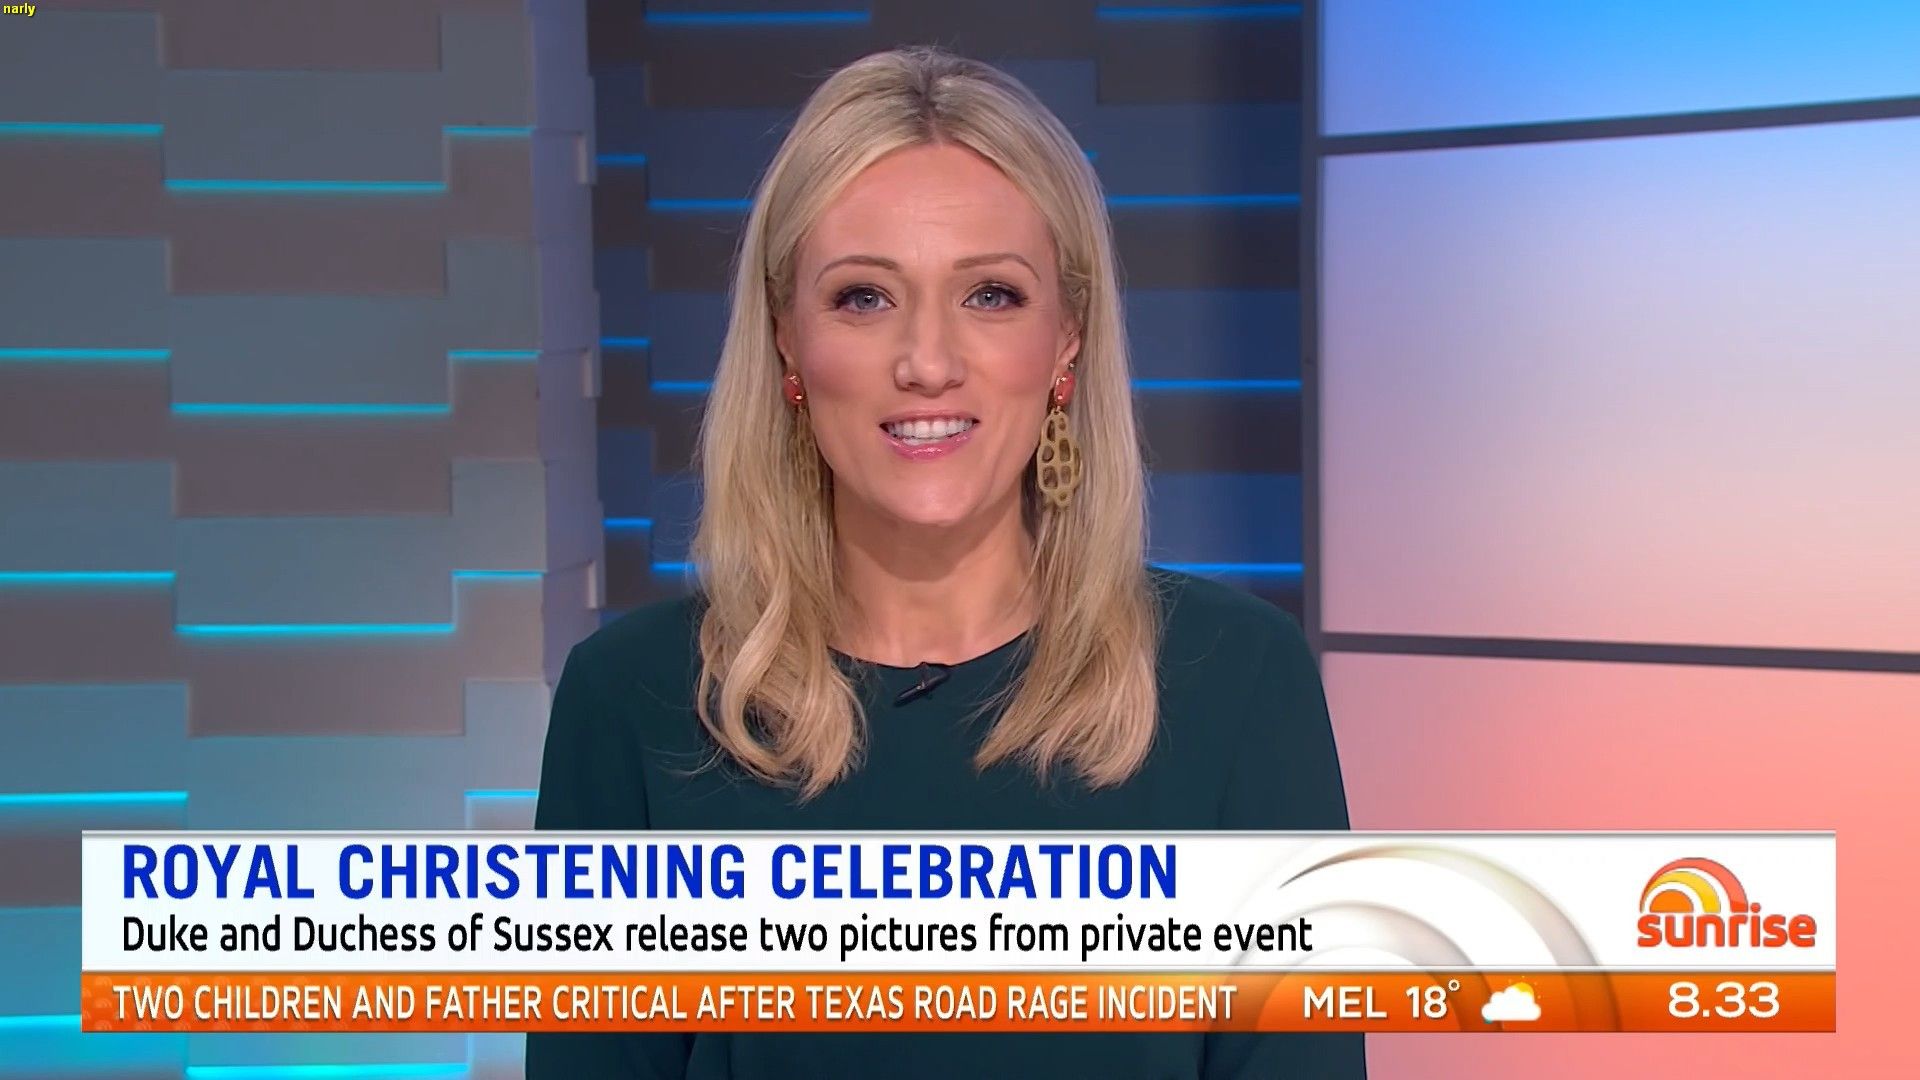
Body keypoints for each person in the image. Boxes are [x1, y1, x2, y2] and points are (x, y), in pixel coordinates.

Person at [528, 44, 1363, 1079]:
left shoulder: (1239, 685)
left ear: (1067, 340)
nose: (927, 362)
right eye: (863, 298)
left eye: (991, 296)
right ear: (788, 341)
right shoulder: (633, 704)